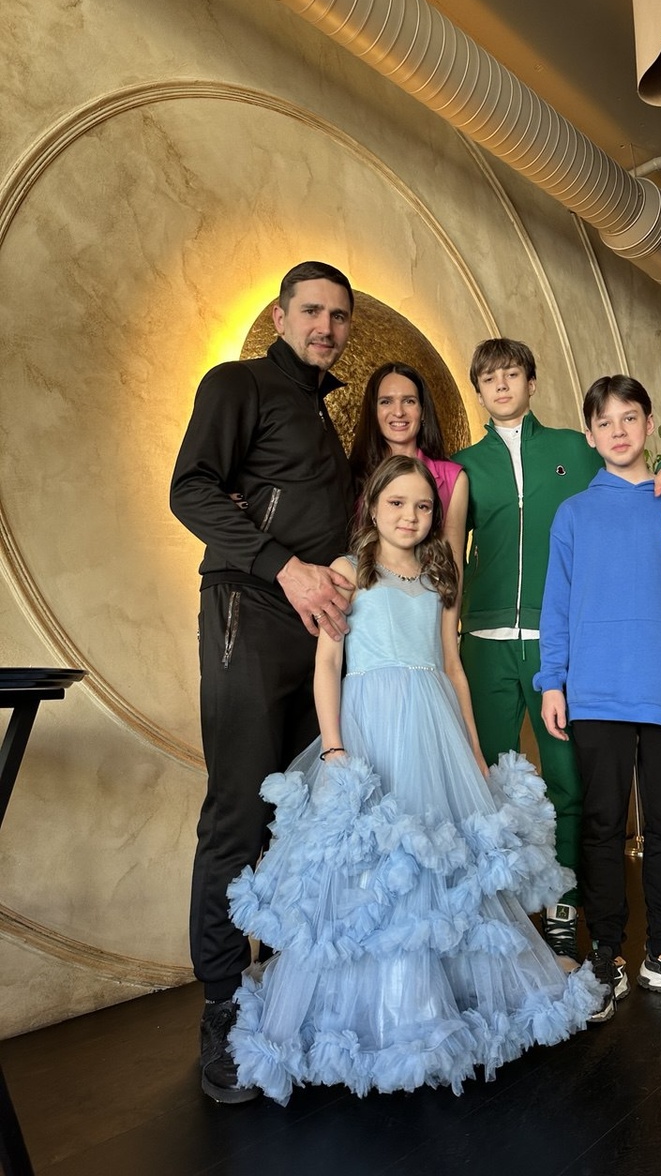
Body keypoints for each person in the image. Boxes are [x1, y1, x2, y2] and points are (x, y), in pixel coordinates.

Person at [225, 455, 605, 1103]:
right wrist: (335, 745)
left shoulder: (438, 576)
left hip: (433, 730)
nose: (411, 516)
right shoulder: (349, 571)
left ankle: (440, 1002)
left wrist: (474, 749)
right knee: (373, 867)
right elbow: (328, 665)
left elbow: (452, 666)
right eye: (397, 503)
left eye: (424, 506)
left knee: (440, 864)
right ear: (372, 507)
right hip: (370, 729)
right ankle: (378, 1012)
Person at [170, 260, 358, 1103]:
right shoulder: (236, 383)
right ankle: (222, 1004)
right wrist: (284, 565)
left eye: (338, 316)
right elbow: (190, 490)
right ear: (281, 316)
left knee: (296, 821)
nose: (326, 327)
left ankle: (281, 995)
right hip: (248, 613)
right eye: (312, 310)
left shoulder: (322, 412)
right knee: (238, 815)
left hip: (314, 632)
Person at [452, 339, 661, 973]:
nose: (501, 385)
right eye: (489, 378)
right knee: (484, 784)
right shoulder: (462, 466)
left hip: (560, 647)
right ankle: (494, 920)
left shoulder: (574, 447)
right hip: (482, 642)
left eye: (512, 373)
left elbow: (630, 473)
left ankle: (565, 913)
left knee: (571, 785)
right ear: (478, 390)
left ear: (531, 382)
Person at [535, 374, 661, 1023]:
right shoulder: (573, 515)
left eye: (630, 417)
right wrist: (551, 680)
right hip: (594, 692)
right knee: (601, 826)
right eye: (605, 422)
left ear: (649, 425)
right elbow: (556, 606)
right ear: (590, 435)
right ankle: (607, 956)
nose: (618, 431)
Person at [348, 362, 469, 582]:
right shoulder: (351, 474)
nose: (398, 412)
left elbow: (453, 566)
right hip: (363, 595)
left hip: (426, 598)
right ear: (373, 412)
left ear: (423, 411)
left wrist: (450, 608)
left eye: (409, 401)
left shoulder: (454, 478)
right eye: (386, 401)